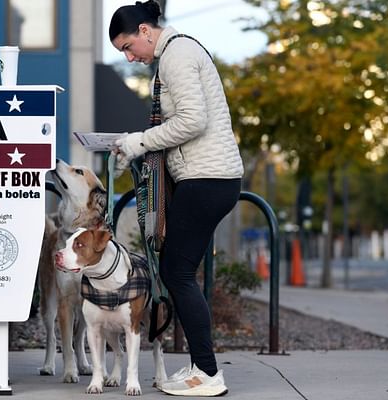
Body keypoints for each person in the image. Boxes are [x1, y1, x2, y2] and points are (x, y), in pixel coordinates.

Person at [109, 0, 244, 396]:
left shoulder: (177, 54)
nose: (130, 57)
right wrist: (132, 149)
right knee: (178, 271)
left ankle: (208, 373)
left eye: (128, 47)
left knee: (177, 272)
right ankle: (200, 367)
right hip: (206, 178)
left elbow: (192, 120)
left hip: (208, 179)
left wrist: (140, 142)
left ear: (146, 32)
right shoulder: (173, 54)